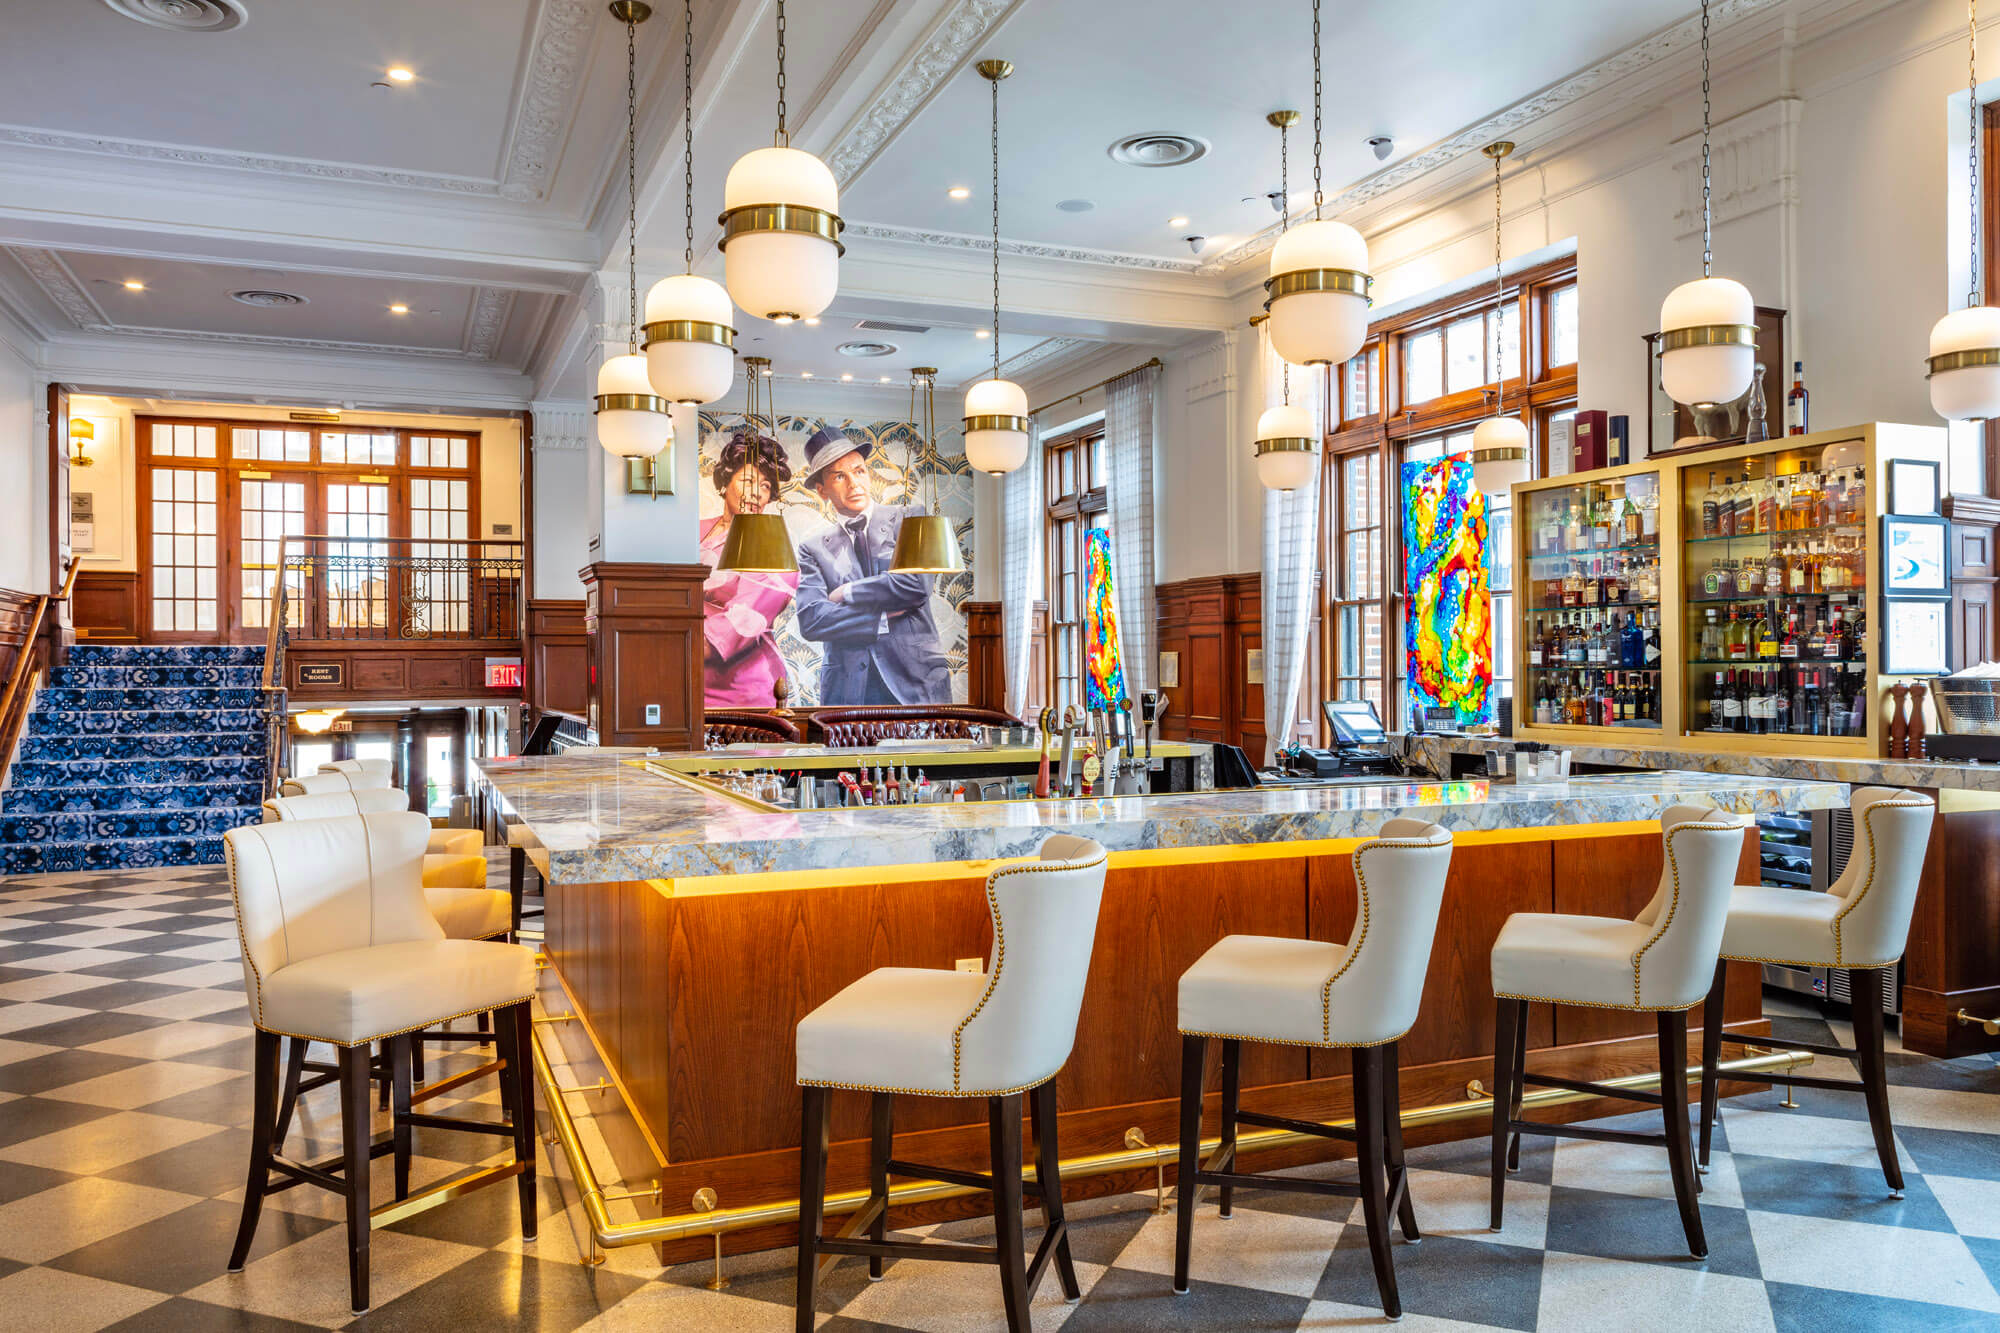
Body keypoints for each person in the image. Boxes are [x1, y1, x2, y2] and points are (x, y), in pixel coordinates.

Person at [794, 425, 951, 705]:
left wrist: (848, 592)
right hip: (848, 691)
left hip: (915, 684)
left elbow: (914, 586)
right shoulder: (813, 548)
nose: (854, 483)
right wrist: (880, 619)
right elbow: (813, 619)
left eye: (859, 470)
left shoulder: (909, 519)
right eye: (839, 476)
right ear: (822, 490)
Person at [698, 426, 798, 707]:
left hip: (742, 694)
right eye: (749, 481)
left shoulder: (774, 555)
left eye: (766, 486)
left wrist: (653, 655)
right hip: (684, 684)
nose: (757, 493)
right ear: (724, 483)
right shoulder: (691, 532)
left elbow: (736, 628)